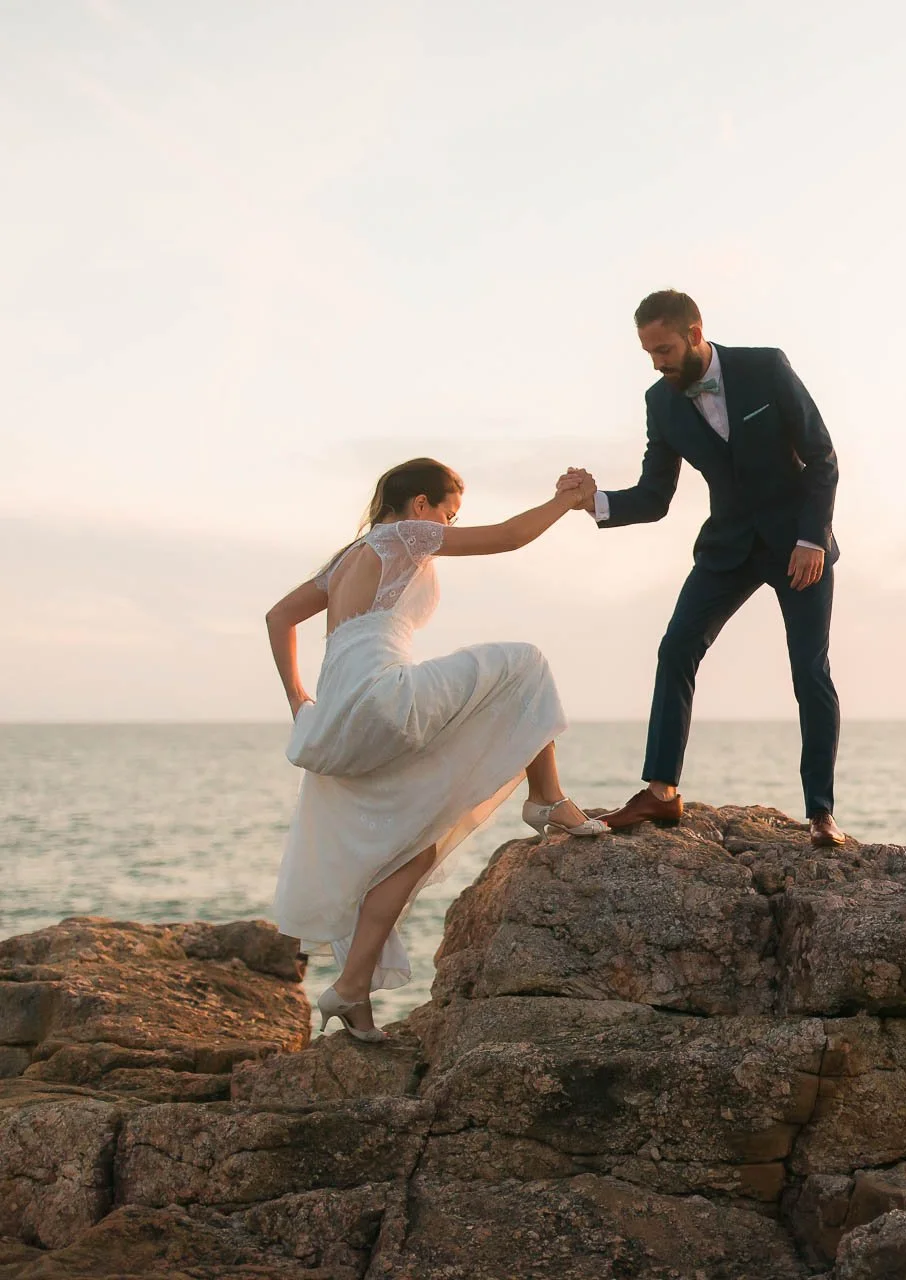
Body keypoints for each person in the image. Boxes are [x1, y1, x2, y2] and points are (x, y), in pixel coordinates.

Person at [264, 458, 607, 1042]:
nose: (449, 523)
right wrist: (566, 503)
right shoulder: (405, 533)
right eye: (448, 511)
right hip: (382, 697)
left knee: (414, 848)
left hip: (341, 716)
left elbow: (278, 617)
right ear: (419, 505)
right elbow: (506, 538)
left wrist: (299, 698)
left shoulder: (347, 558)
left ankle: (351, 989)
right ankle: (546, 798)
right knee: (526, 663)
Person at [567, 290, 848, 848]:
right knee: (676, 648)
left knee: (808, 672)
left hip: (799, 547)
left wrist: (811, 538)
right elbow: (654, 496)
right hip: (728, 549)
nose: (657, 363)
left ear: (695, 333)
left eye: (665, 349)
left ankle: (820, 813)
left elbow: (822, 456)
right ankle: (662, 792)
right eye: (648, 353)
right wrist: (595, 501)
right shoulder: (661, 401)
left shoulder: (765, 366)